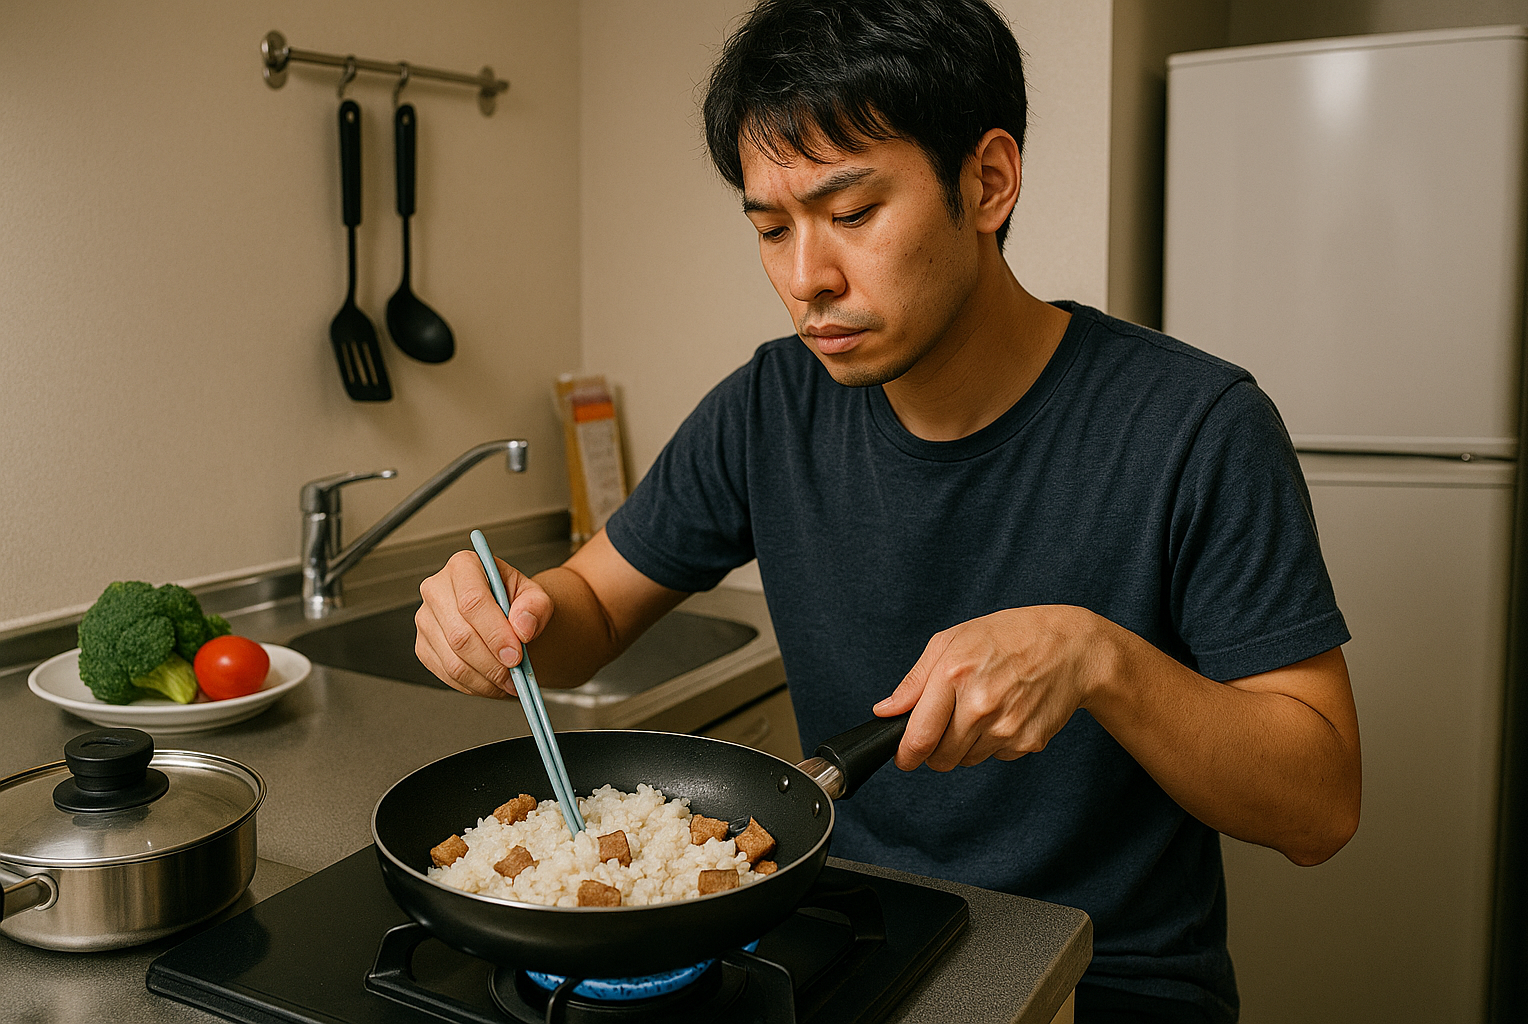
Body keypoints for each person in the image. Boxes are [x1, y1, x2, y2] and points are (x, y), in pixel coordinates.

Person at [414, 1, 1362, 1020]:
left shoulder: (1195, 425)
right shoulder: (770, 405)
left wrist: (1102, 659)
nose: (806, 278)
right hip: (844, 939)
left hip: (1105, 977)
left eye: (852, 214)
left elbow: (1319, 806)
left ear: (988, 182)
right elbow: (587, 615)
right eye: (771, 228)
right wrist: (507, 616)